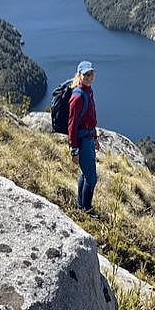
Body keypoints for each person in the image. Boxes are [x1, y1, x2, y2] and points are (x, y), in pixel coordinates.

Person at [68, 60, 99, 213]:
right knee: (92, 179)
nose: (89, 77)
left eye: (91, 73)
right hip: (82, 141)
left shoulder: (89, 91)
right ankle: (86, 210)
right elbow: (72, 125)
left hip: (89, 138)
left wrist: (95, 137)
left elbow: (90, 117)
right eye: (86, 74)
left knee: (85, 174)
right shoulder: (78, 96)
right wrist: (74, 150)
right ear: (79, 75)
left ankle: (80, 206)